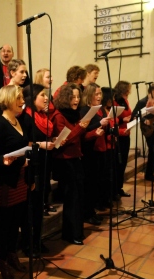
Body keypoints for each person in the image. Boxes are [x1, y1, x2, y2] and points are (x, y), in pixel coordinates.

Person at [0, 85, 30, 279]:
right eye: (19, 97)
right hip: (6, 182)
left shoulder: (17, 120)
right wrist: (10, 161)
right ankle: (3, 260)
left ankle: (12, 255)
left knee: (15, 222)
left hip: (20, 179)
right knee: (5, 225)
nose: (22, 101)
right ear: (8, 100)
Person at [50, 83, 89, 245]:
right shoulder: (59, 116)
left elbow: (78, 138)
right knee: (71, 198)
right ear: (66, 98)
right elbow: (62, 141)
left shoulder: (75, 114)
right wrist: (80, 128)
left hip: (76, 158)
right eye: (72, 97)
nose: (76, 100)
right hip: (64, 161)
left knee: (78, 196)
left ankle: (76, 232)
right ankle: (71, 233)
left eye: (78, 97)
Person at [22, 84, 56, 256]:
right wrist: (41, 144)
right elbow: (23, 142)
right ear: (32, 97)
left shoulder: (43, 116)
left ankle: (37, 240)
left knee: (39, 205)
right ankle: (29, 244)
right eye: (42, 95)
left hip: (44, 163)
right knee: (32, 207)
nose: (46, 98)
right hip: (32, 165)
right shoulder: (26, 117)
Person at [80, 83, 108, 223]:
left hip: (100, 148)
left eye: (100, 94)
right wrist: (99, 124)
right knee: (89, 184)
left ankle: (91, 211)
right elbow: (83, 130)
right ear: (89, 95)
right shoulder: (85, 110)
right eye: (96, 94)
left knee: (96, 182)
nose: (99, 96)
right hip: (89, 151)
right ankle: (87, 213)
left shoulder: (98, 109)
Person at [131, 82, 154, 182]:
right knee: (152, 150)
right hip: (147, 128)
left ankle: (151, 173)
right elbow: (134, 113)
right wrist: (144, 120)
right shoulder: (142, 101)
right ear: (152, 91)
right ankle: (148, 175)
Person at [113, 80, 132, 197]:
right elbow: (113, 119)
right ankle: (114, 189)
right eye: (127, 90)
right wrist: (122, 121)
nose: (129, 92)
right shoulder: (115, 102)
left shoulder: (125, 100)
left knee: (124, 162)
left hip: (126, 133)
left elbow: (128, 113)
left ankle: (119, 187)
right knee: (117, 163)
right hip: (118, 135)